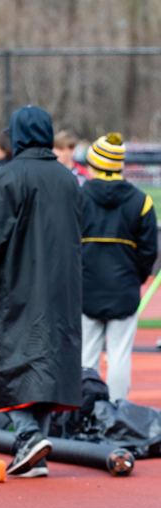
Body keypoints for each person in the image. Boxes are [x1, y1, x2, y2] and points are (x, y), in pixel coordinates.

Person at [0, 106, 83, 477]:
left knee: (5, 362)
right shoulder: (68, 180)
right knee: (47, 368)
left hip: (16, 286)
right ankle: (35, 452)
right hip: (61, 287)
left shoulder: (7, 177)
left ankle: (29, 435)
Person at [80, 133, 157, 402]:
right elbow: (149, 251)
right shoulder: (141, 201)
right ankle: (116, 412)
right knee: (120, 357)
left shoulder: (78, 197)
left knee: (86, 356)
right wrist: (134, 277)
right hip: (123, 289)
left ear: (94, 164)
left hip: (86, 289)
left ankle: (84, 413)